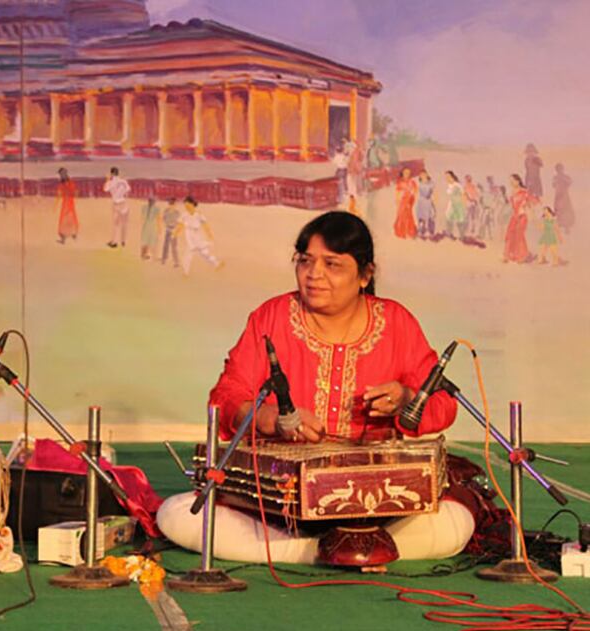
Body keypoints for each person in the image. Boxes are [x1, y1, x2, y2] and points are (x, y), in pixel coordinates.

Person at [157, 212, 475, 565]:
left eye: (332, 264)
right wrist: (267, 418)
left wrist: (405, 399)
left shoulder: (397, 322)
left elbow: (443, 404)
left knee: (456, 523)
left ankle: (317, 550)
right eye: (305, 261)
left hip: (377, 505)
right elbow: (226, 396)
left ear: (365, 275)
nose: (314, 274)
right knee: (178, 514)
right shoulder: (272, 317)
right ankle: (323, 552)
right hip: (281, 505)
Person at [176, 196, 223, 275]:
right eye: (185, 206)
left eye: (188, 205)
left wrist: (210, 235)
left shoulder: (199, 215)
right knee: (188, 254)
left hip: (198, 236)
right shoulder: (184, 215)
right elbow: (180, 225)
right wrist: (175, 233)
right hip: (189, 236)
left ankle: (217, 264)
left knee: (204, 253)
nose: (186, 207)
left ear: (192, 204)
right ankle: (185, 272)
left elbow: (205, 226)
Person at [504, 173, 537, 264]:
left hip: (522, 216)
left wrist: (531, 214)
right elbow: (512, 205)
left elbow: (532, 203)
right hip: (514, 217)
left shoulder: (524, 191)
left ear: (518, 181)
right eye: (510, 181)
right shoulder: (512, 192)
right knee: (510, 234)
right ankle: (509, 255)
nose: (511, 182)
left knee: (519, 235)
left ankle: (522, 256)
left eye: (513, 180)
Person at [103, 167, 130, 248]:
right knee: (124, 223)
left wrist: (107, 179)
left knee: (116, 224)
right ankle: (123, 241)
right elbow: (128, 189)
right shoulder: (123, 181)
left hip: (116, 203)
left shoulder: (110, 182)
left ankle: (114, 241)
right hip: (123, 202)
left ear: (112, 173)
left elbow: (105, 189)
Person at [393, 167, 418, 239]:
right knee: (401, 215)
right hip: (402, 201)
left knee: (409, 215)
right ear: (403, 173)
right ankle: (401, 232)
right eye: (405, 173)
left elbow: (415, 191)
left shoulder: (412, 182)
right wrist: (397, 200)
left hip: (409, 200)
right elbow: (397, 192)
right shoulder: (400, 182)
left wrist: (412, 197)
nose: (407, 174)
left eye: (408, 173)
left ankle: (409, 232)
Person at [55, 167, 78, 244]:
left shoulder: (69, 182)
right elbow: (60, 192)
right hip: (66, 202)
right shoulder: (64, 182)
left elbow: (73, 192)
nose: (60, 176)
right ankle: (65, 237)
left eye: (61, 174)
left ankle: (72, 235)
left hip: (69, 202)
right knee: (66, 218)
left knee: (69, 218)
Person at [159, 198, 181, 269]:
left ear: (175, 204)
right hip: (168, 229)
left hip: (173, 230)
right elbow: (163, 219)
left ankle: (176, 261)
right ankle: (164, 259)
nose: (171, 205)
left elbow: (179, 222)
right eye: (170, 204)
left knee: (174, 247)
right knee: (166, 245)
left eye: (173, 204)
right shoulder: (166, 211)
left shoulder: (177, 213)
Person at [444, 171, 466, 240]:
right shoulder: (449, 186)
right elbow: (450, 196)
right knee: (448, 218)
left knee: (460, 220)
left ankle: (462, 236)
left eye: (448, 177)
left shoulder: (457, 185)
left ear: (452, 176)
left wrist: (464, 204)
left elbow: (463, 194)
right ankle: (449, 234)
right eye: (446, 177)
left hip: (458, 204)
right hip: (451, 204)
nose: (446, 178)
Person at [415, 170, 436, 237]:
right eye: (421, 175)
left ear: (427, 174)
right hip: (421, 201)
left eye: (424, 174)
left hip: (428, 201)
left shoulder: (431, 183)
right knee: (420, 217)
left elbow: (434, 192)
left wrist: (433, 200)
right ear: (420, 176)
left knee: (428, 216)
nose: (423, 176)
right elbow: (415, 192)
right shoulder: (419, 183)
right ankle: (420, 231)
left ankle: (428, 231)